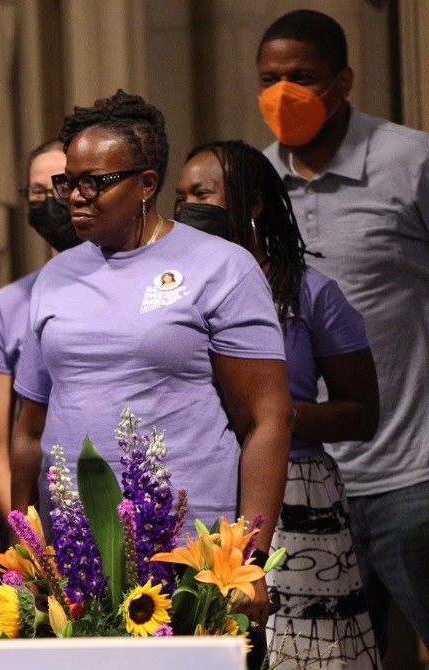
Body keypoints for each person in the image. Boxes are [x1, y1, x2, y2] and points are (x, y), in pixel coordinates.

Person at [8, 91, 292, 633]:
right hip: (76, 555)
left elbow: (266, 419)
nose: (75, 197)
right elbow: (29, 428)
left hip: (191, 550)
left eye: (96, 181)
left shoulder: (220, 267)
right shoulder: (55, 277)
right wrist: (24, 547)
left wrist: (249, 557)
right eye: (70, 182)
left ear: (145, 184)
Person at [257, 9, 429, 652]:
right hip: (301, 483)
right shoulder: (256, 183)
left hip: (410, 472)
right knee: (334, 657)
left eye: (301, 76)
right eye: (269, 78)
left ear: (343, 80)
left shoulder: (411, 163)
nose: (282, 93)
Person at [177, 140, 381, 669]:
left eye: (201, 194)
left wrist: (271, 414)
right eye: (179, 198)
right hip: (203, 488)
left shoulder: (310, 292)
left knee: (311, 653)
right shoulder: (174, 292)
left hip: (295, 492)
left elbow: (361, 410)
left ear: (254, 203)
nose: (186, 209)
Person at [0, 139, 79, 548]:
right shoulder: (11, 302)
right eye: (38, 192)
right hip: (35, 521)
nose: (51, 201)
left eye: (61, 187)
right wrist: (29, 536)